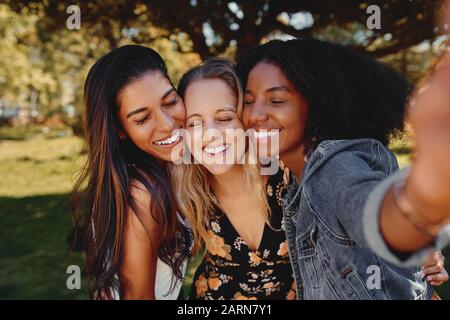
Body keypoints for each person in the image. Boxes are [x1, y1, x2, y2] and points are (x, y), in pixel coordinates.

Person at [236, 38, 449, 299]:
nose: (255, 114)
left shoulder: (332, 167)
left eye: (277, 100)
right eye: (248, 101)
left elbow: (368, 209)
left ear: (317, 105)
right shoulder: (296, 179)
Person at [171, 58, 297, 300]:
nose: (210, 135)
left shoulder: (287, 175)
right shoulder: (186, 191)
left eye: (225, 118)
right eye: (195, 123)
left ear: (245, 118)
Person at [72, 45, 191, 299]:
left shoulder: (166, 173)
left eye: (170, 101)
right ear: (119, 130)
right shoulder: (141, 195)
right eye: (142, 118)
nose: (168, 124)